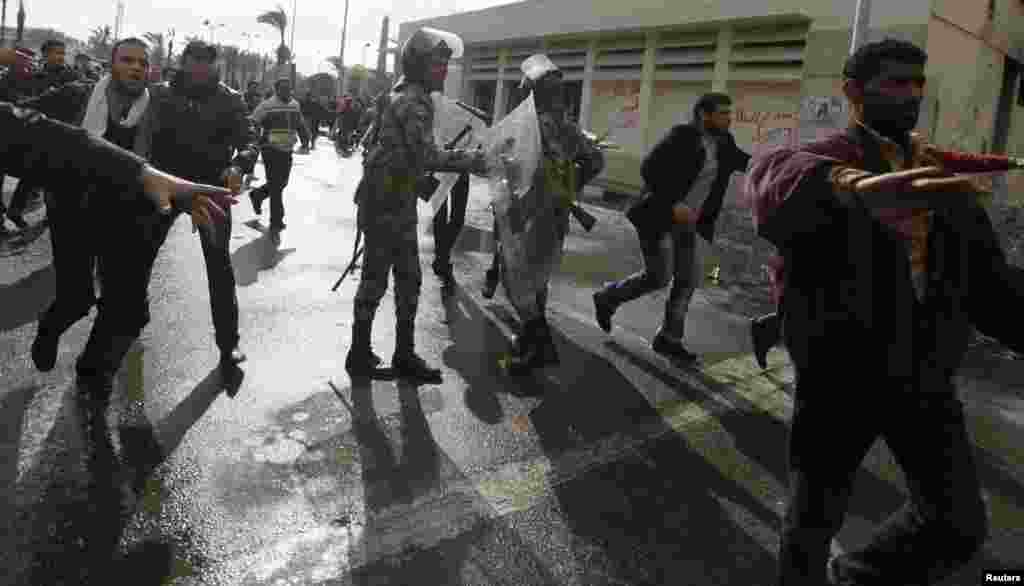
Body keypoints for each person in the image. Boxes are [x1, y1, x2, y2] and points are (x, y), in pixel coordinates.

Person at [745, 38, 1024, 585]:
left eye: (917, 83)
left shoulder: (944, 182)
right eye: (893, 82)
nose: (910, 95)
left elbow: (992, 290)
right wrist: (852, 188)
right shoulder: (830, 160)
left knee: (957, 525)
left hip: (924, 375)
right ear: (854, 91)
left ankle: (854, 575)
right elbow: (770, 176)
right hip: (841, 377)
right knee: (811, 522)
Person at [0, 44, 237, 395]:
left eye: (143, 62)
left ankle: (93, 374)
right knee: (76, 299)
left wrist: (191, 194)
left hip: (126, 214)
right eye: (127, 60)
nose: (135, 68)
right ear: (112, 65)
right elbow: (23, 127)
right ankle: (49, 329)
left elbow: (175, 163)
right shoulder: (76, 95)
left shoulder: (161, 108)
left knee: (129, 309)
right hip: (71, 211)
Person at [344, 27, 487, 383]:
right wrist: (475, 160)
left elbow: (390, 149)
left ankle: (371, 353)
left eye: (444, 64)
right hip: (389, 204)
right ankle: (375, 355)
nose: (443, 70)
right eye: (437, 64)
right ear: (419, 64)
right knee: (389, 279)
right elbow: (426, 155)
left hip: (386, 199)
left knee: (395, 279)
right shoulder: (415, 100)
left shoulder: (396, 93)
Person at [591, 92, 750, 364]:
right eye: (723, 113)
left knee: (687, 280)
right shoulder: (682, 137)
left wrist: (786, 166)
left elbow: (747, 162)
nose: (728, 118)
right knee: (658, 276)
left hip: (690, 224)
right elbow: (649, 169)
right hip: (659, 215)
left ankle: (669, 338)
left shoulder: (725, 142)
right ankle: (608, 298)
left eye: (729, 113)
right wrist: (672, 203)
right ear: (704, 114)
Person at [146, 39, 259, 366]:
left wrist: (239, 166)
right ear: (182, 62)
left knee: (219, 268)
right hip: (165, 187)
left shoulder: (230, 100)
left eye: (206, 64)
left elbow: (250, 139)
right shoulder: (159, 95)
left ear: (214, 66)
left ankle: (228, 343)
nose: (199, 69)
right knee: (139, 258)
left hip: (211, 190)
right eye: (193, 62)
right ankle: (124, 326)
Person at [493, 54, 605, 373]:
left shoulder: (529, 125)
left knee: (515, 276)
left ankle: (537, 345)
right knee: (538, 278)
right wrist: (570, 187)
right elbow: (595, 161)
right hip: (554, 214)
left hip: (528, 212)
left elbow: (508, 164)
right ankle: (531, 342)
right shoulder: (568, 126)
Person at [249, 76, 309, 230]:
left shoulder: (295, 105)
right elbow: (253, 121)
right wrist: (254, 140)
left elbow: (300, 123)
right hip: (270, 149)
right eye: (282, 88)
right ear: (276, 90)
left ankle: (258, 195)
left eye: (288, 88)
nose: (286, 91)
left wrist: (305, 140)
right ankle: (276, 219)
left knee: (282, 183)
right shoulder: (267, 105)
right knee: (276, 186)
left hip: (287, 150)